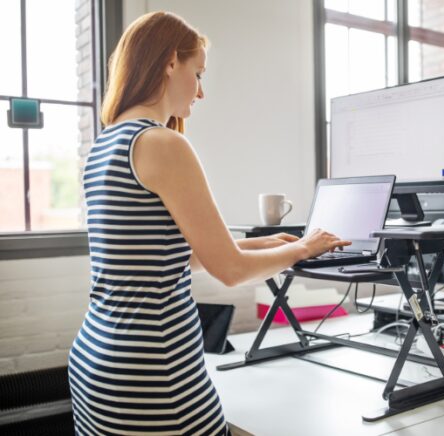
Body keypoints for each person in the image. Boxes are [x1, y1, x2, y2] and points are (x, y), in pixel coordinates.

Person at [67, 12, 350, 435]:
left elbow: (177, 259)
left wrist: (268, 243)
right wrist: (303, 250)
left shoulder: (105, 144)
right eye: (197, 73)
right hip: (154, 371)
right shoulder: (162, 143)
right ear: (169, 62)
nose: (200, 92)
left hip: (98, 364)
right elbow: (229, 270)